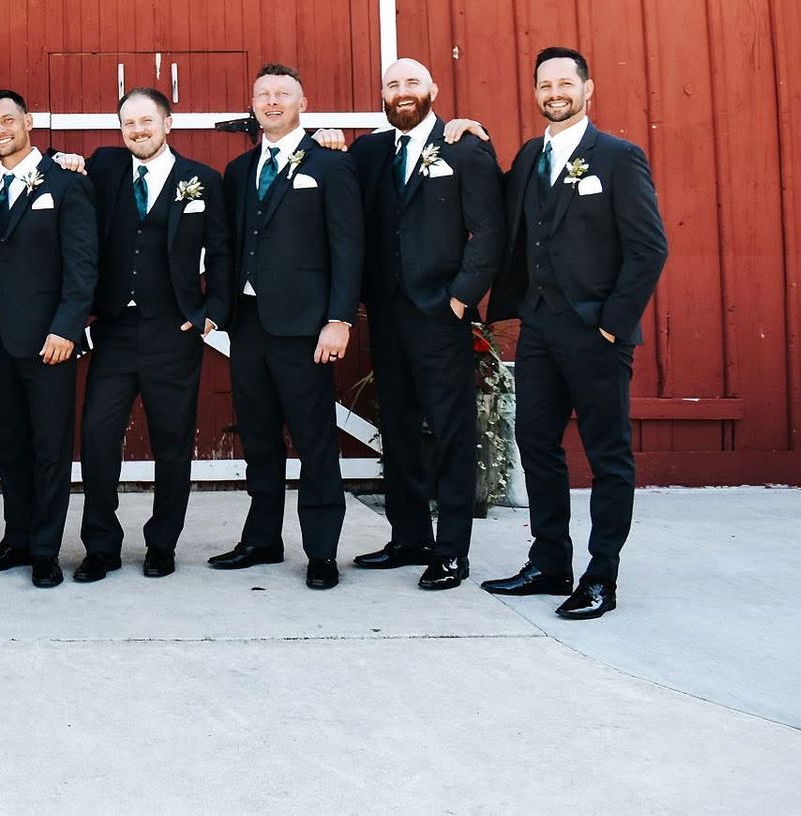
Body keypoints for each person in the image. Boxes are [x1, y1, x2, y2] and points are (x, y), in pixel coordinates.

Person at [482, 47, 668, 620]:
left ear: (588, 89)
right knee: (536, 442)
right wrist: (469, 132)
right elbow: (500, 200)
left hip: (596, 334)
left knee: (607, 454)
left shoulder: (617, 158)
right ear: (535, 92)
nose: (554, 92)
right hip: (538, 328)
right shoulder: (531, 155)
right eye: (544, 84)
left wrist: (612, 325)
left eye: (566, 82)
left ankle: (601, 577)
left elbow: (648, 248)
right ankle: (550, 561)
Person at [53, 87, 230, 584]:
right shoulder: (106, 167)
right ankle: (101, 545)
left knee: (172, 444)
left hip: (172, 332)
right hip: (113, 332)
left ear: (168, 123)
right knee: (98, 436)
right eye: (128, 123)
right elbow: (50, 165)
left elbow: (221, 252)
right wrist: (61, 157)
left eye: (147, 122)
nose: (138, 131)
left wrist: (211, 313)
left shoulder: (202, 180)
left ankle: (162, 544)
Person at [346, 59, 503, 590]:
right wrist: (322, 137)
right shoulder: (369, 152)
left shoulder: (465, 147)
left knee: (453, 432)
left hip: (441, 316)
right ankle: (408, 537)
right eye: (392, 84)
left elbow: (488, 232)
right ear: (383, 95)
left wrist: (460, 299)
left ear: (433, 90)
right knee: (399, 430)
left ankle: (452, 551)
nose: (402, 91)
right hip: (387, 317)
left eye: (412, 82)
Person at [212, 63, 363, 590]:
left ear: (302, 101)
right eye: (263, 94)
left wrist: (338, 319)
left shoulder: (330, 163)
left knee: (314, 439)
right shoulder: (239, 171)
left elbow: (348, 247)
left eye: (282, 94)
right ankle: (261, 538)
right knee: (258, 437)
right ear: (252, 104)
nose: (271, 102)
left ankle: (322, 551)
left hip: (305, 327)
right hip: (249, 325)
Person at [0, 89, 98, 589]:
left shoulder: (66, 184)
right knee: (10, 445)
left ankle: (45, 549)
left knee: (49, 447)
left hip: (49, 341)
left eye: (7, 120)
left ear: (28, 121)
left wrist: (67, 327)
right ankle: (16, 537)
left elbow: (82, 266)